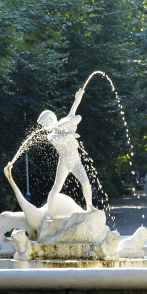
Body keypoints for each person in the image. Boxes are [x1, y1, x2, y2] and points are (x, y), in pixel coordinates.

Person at [38, 88, 94, 218]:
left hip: (75, 161)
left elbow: (74, 109)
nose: (43, 127)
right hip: (64, 163)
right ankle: (49, 212)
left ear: (51, 119)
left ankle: (89, 205)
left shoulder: (65, 122)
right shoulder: (51, 136)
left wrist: (78, 97)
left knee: (85, 182)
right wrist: (71, 134)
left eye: (44, 123)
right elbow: (59, 140)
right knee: (56, 188)